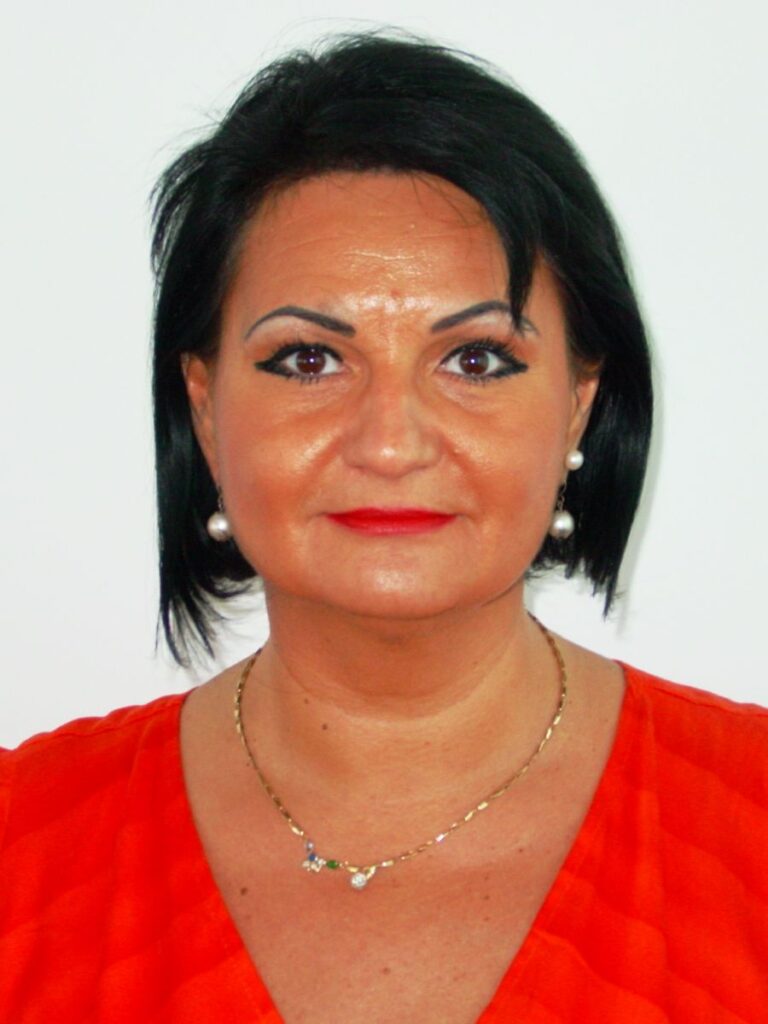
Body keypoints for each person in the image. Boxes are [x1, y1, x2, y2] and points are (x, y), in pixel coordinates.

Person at [1, 31, 767, 1023]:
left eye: (476, 360)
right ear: (205, 408)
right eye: (309, 360)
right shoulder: (23, 848)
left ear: (579, 407)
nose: (392, 442)